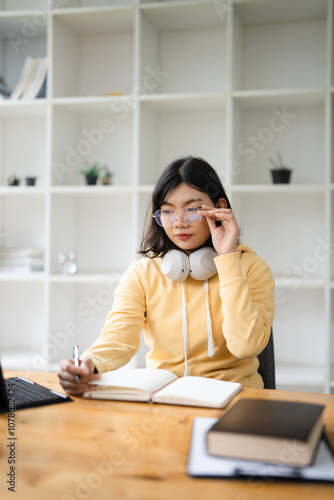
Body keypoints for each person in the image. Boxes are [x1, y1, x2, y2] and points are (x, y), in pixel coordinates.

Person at [58, 156, 275, 395]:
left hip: (235, 399)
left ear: (219, 208)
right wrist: (89, 363)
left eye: (192, 210)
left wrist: (227, 261)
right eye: (168, 212)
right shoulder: (143, 273)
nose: (179, 223)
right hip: (166, 399)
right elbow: (119, 337)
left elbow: (246, 346)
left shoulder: (250, 267)